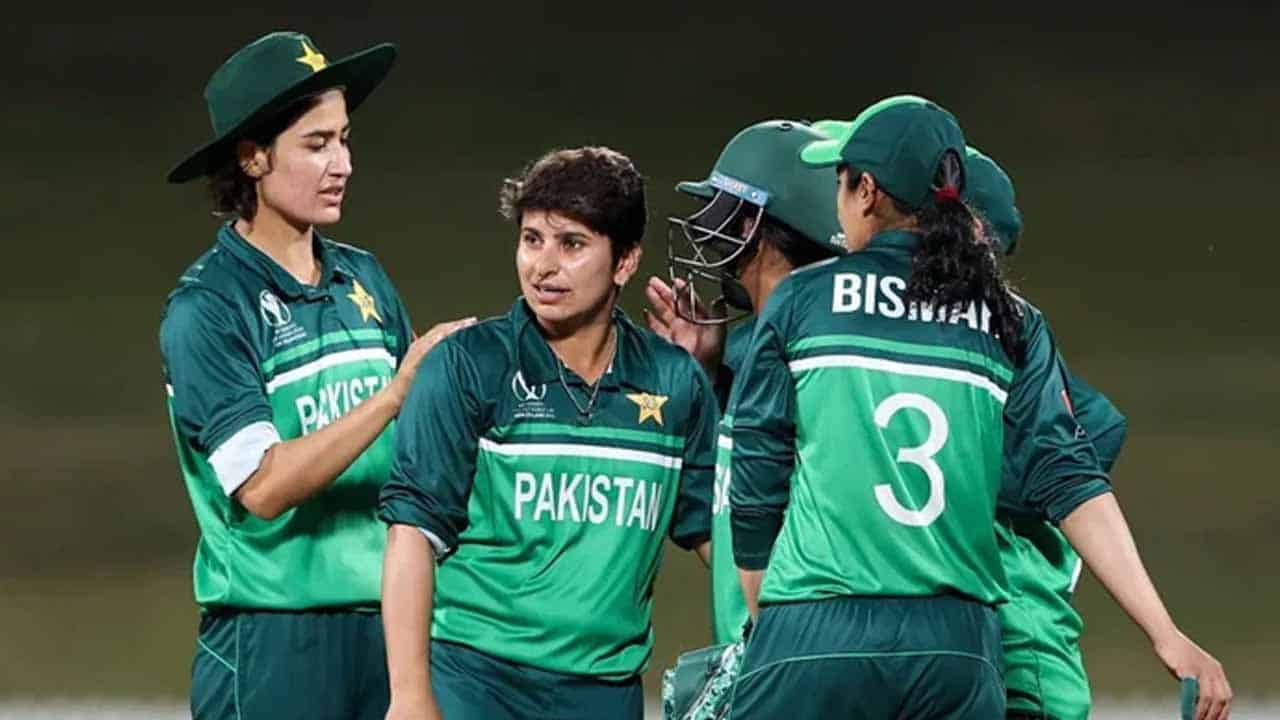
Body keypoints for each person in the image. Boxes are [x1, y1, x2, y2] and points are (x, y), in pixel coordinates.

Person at [727, 95, 1231, 720]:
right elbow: (1071, 480)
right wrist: (1165, 633)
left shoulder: (802, 299)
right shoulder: (1009, 317)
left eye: (840, 181)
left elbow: (757, 475)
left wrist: (766, 615)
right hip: (957, 649)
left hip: (817, 632)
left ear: (867, 192)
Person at [160, 30, 472, 719]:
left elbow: (416, 455)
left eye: (345, 140)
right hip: (271, 643)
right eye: (317, 144)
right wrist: (394, 396)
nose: (343, 165)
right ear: (253, 157)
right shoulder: (209, 308)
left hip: (388, 628)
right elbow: (264, 486)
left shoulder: (364, 278)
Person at [378, 146, 718, 720]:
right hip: (474, 684)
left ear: (626, 261)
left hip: (605, 694)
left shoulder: (675, 380)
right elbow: (411, 531)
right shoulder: (468, 366)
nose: (543, 265)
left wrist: (771, 638)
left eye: (572, 244)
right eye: (532, 239)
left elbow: (723, 536)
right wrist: (410, 697)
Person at [645, 119, 845, 647]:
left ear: (751, 227)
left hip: (809, 650)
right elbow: (720, 525)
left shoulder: (824, 356)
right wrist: (704, 380)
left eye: (725, 217)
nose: (712, 238)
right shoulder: (744, 349)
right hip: (753, 651)